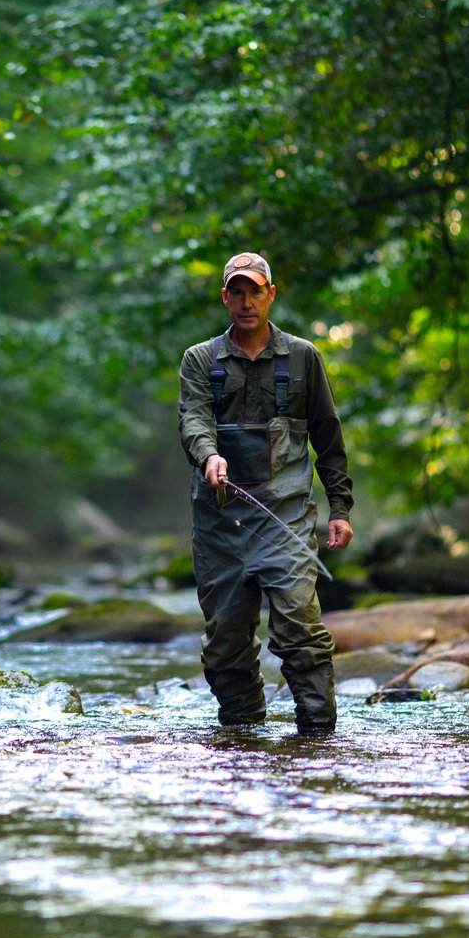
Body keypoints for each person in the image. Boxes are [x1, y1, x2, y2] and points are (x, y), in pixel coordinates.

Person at [177, 251, 354, 736]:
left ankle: (318, 740)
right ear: (225, 298)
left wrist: (339, 507)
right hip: (219, 525)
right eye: (237, 291)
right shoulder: (200, 360)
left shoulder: (303, 358)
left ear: (271, 294)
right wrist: (209, 455)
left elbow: (328, 437)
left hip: (286, 519)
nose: (246, 300)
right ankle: (242, 738)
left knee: (300, 630)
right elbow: (193, 419)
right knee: (225, 643)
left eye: (256, 290)